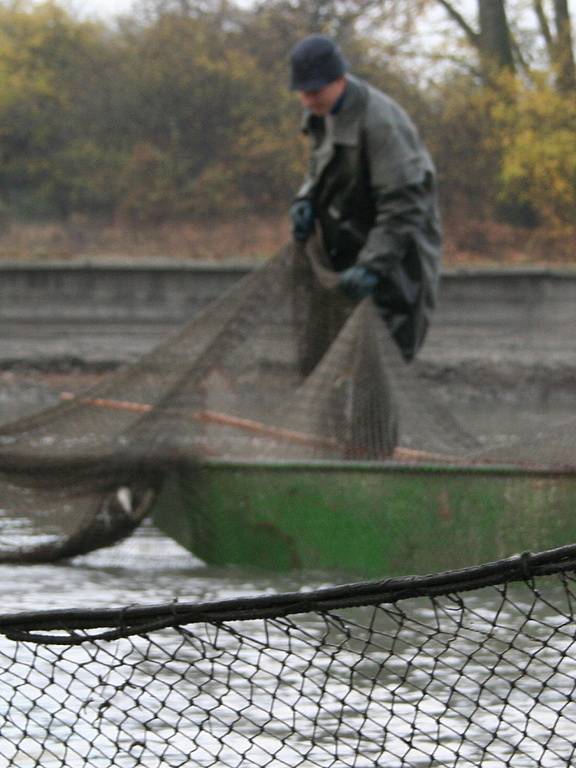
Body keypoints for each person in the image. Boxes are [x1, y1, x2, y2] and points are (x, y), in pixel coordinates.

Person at [289, 34, 442, 362]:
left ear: (339, 79)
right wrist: (305, 199)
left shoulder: (381, 123)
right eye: (302, 92)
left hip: (398, 259)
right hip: (348, 245)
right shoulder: (321, 114)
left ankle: (372, 415)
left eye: (314, 91)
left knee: (381, 360)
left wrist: (372, 265)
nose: (307, 100)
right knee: (336, 361)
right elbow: (321, 167)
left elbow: (404, 204)